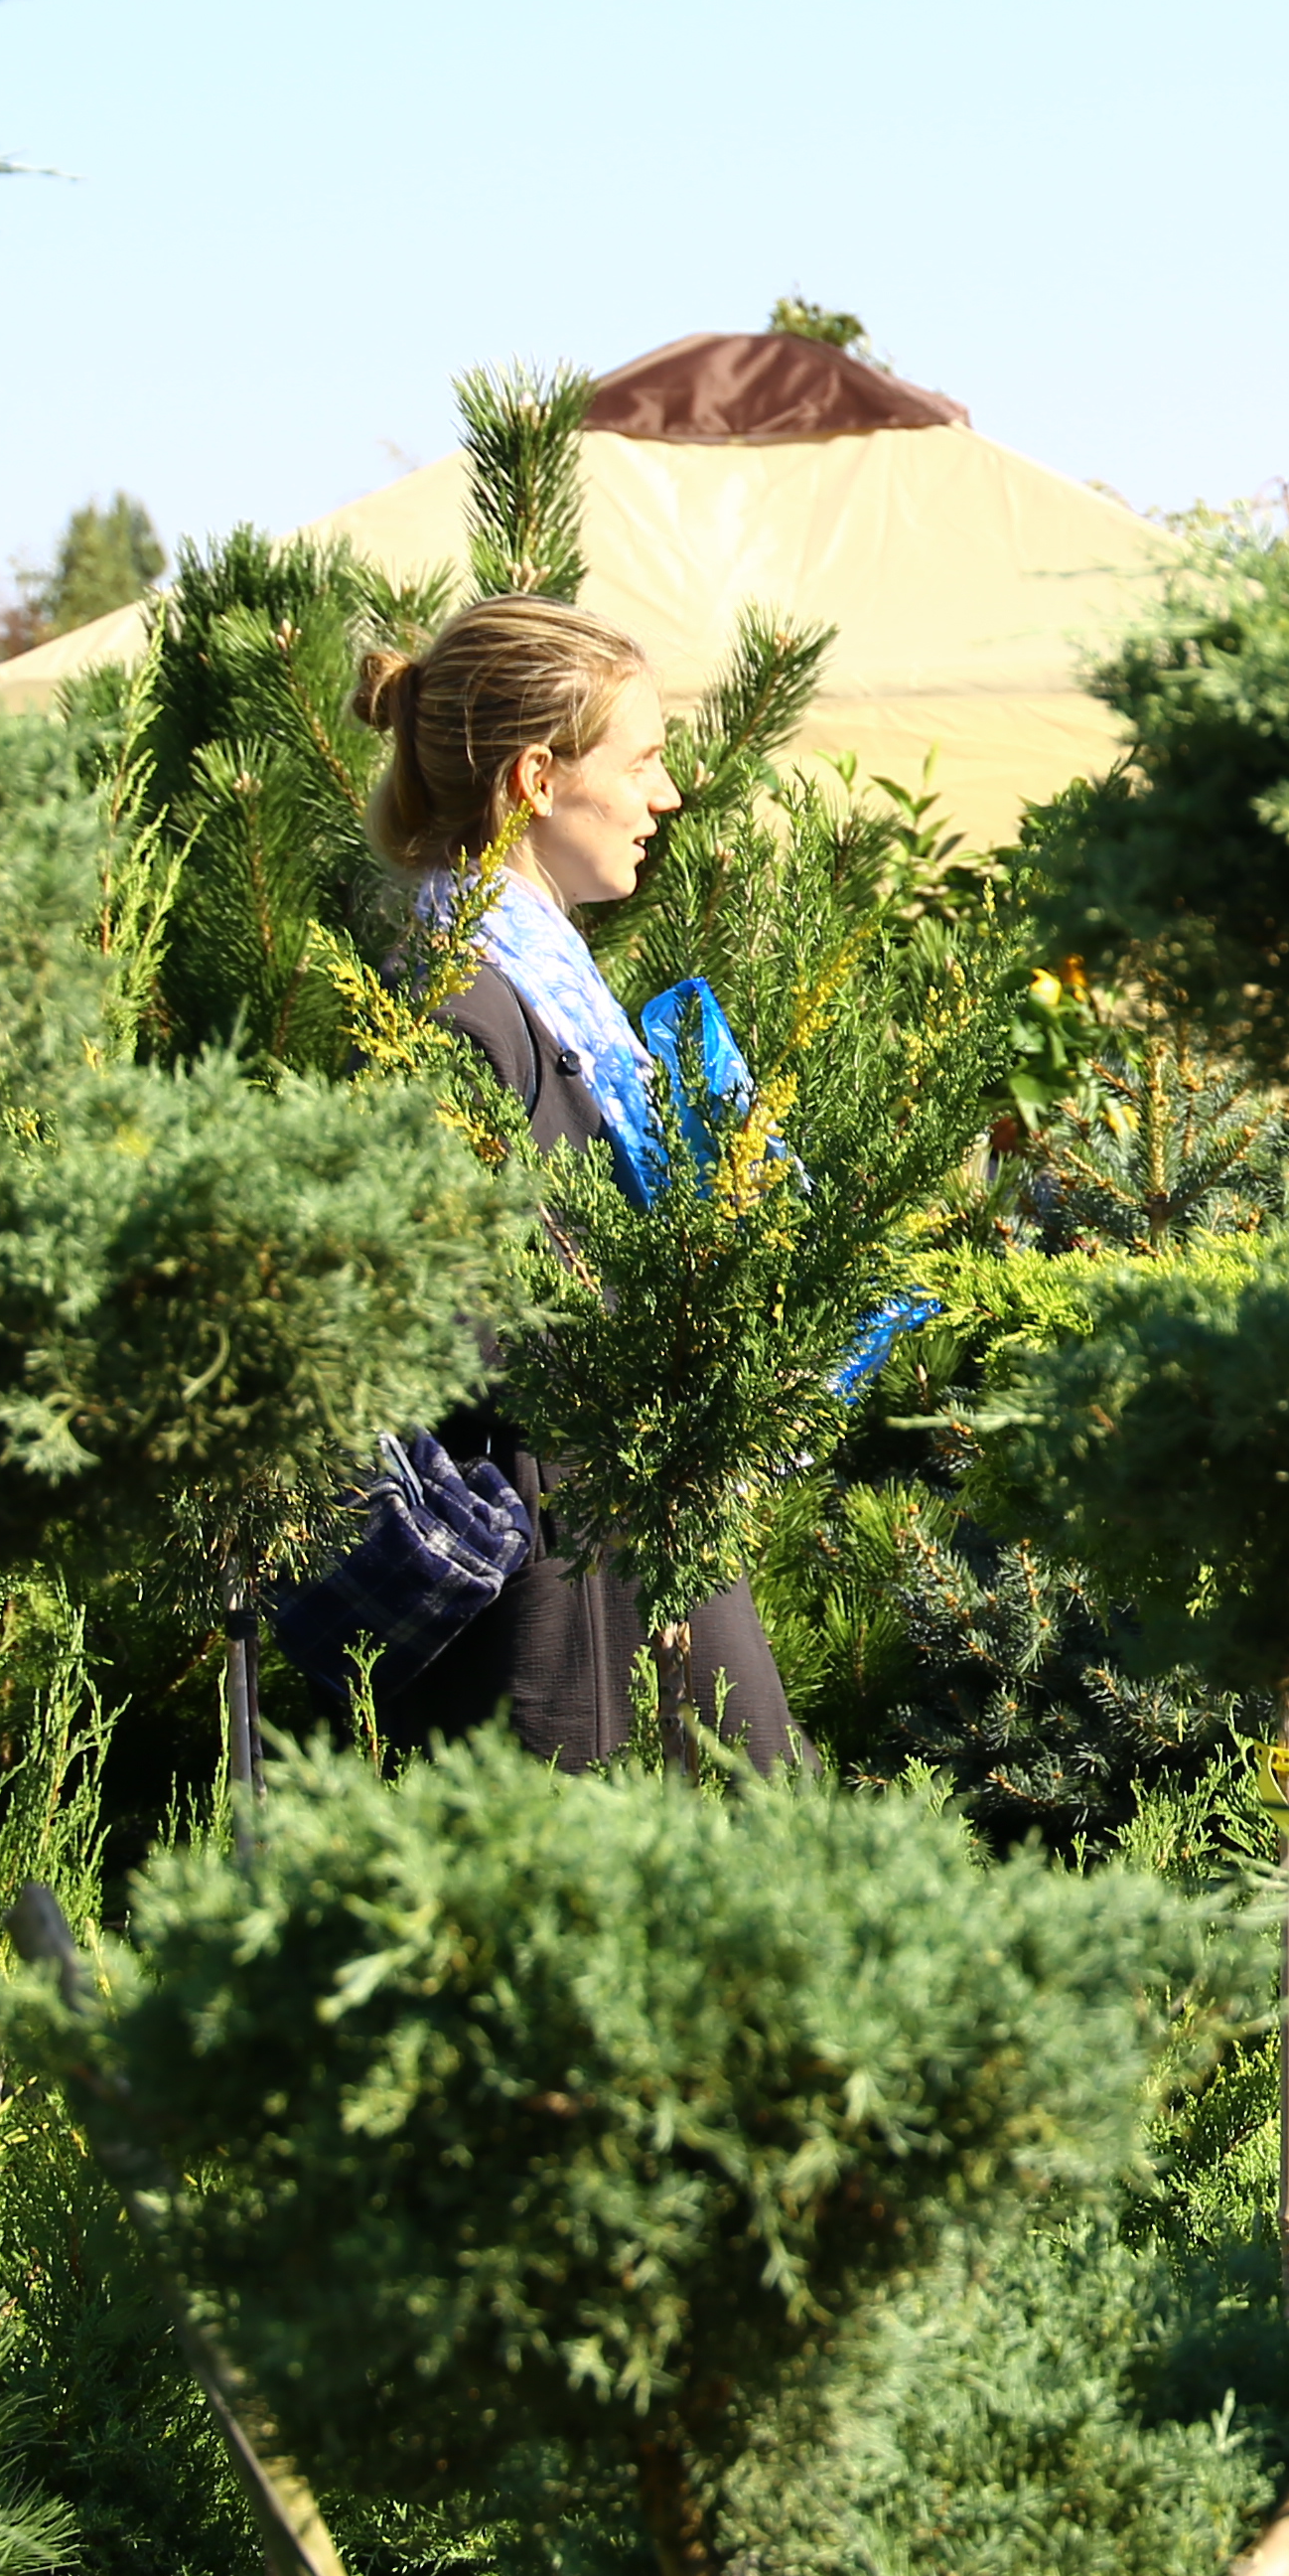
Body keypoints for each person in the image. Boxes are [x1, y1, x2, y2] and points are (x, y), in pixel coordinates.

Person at [350, 594, 802, 1775]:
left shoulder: (548, 991)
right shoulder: (464, 1007)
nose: (669, 795)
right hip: (553, 1616)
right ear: (536, 780)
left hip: (623, 1543)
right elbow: (457, 1329)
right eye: (644, 759)